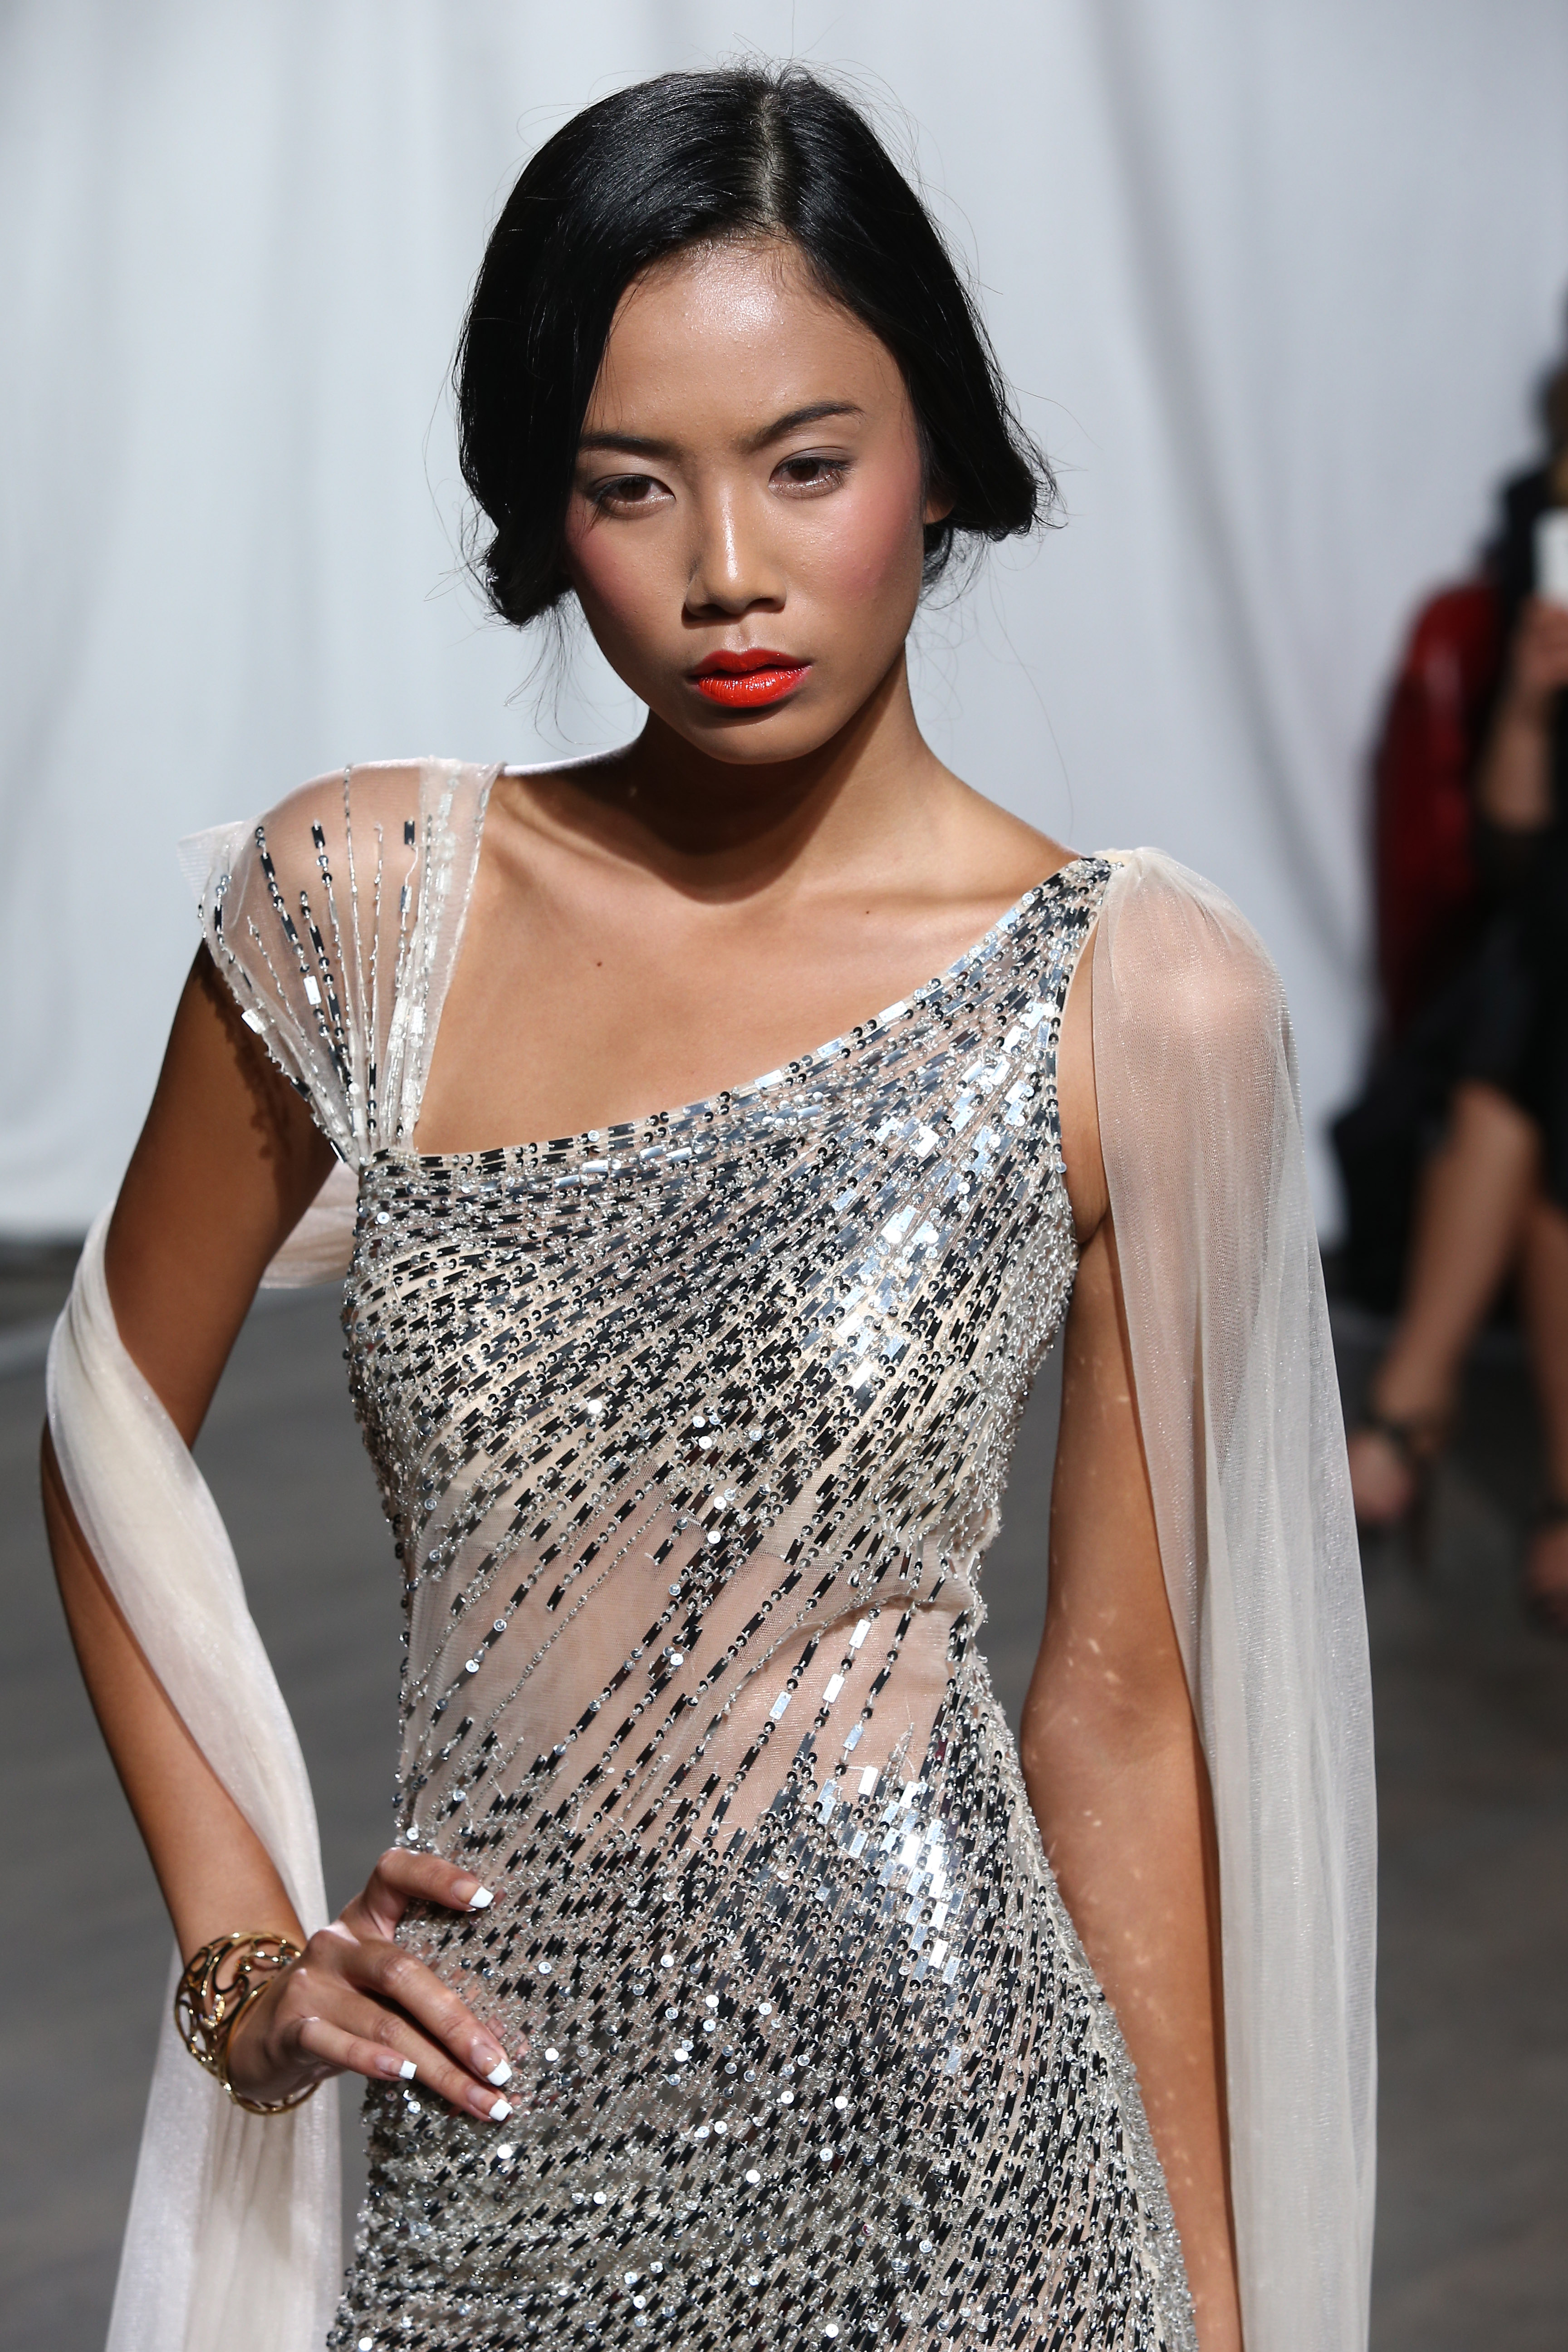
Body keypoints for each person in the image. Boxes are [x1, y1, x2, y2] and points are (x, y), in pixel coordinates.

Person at [42, 65, 1372, 2352]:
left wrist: (1214, 2318)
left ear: (938, 461)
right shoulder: (366, 906)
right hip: (494, 2144)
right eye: (629, 484)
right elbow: (96, 1421)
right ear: (546, 509)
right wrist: (238, 1954)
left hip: (975, 2176)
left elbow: (1125, 1713)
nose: (726, 568)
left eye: (807, 465)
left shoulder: (1140, 995)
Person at [1347, 374, 1568, 1629]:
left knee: (1525, 1040)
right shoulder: (1546, 529)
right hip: (1550, 928)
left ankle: (1406, 1416)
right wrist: (1533, 702)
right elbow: (1513, 844)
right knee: (1541, 1004)